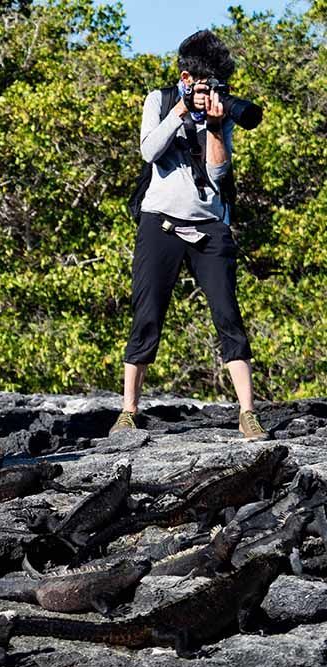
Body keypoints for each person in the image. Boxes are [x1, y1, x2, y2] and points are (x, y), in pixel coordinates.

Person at [111, 30, 268, 441]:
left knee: (228, 315)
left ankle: (248, 412)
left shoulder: (219, 113)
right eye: (202, 85)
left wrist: (214, 127)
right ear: (185, 78)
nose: (209, 92)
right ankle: (128, 410)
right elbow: (149, 151)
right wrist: (181, 108)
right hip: (160, 222)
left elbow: (218, 173)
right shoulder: (159, 100)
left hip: (209, 224)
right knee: (147, 314)